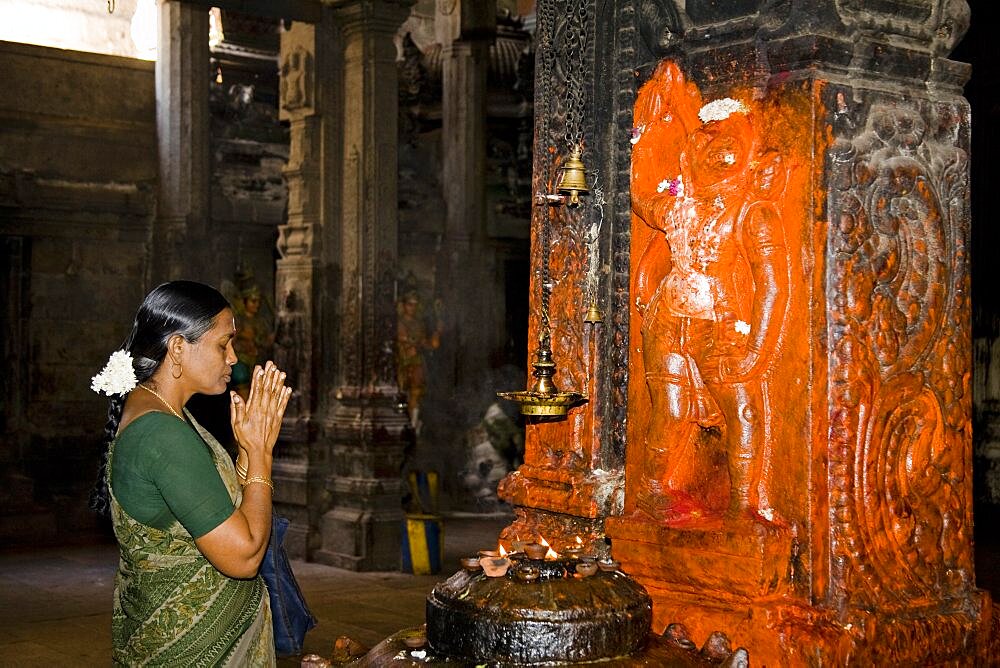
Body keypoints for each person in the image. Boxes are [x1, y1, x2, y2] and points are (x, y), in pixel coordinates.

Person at [88, 280, 292, 666]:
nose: (233, 357)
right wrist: (263, 455)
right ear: (179, 347)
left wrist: (247, 449)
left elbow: (216, 503)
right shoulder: (162, 433)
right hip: (193, 650)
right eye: (223, 344)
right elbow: (244, 556)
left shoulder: (161, 412)